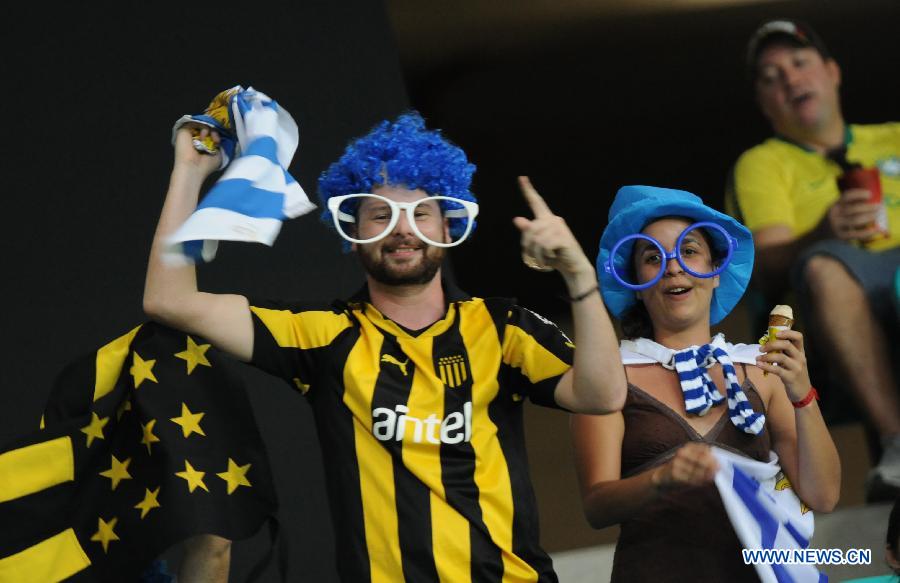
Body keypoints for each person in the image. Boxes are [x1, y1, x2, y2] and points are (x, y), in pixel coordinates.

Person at [143, 110, 627, 582]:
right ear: (351, 233)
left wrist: (578, 272)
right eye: (380, 214)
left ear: (447, 227)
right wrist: (190, 169)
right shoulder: (324, 332)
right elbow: (170, 300)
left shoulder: (502, 327)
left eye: (420, 212)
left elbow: (603, 396)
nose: (402, 229)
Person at [571, 185, 841, 581]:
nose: (673, 266)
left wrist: (802, 395)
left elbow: (824, 495)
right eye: (652, 257)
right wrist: (661, 478)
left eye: (689, 250)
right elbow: (596, 506)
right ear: (635, 283)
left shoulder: (761, 369)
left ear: (717, 271)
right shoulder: (607, 377)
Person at [726, 18, 900, 502]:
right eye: (771, 77)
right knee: (825, 265)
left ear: (832, 71)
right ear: (764, 103)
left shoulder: (894, 137)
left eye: (800, 63)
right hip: (827, 313)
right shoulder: (764, 163)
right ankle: (898, 446)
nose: (789, 78)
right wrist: (823, 232)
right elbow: (763, 266)